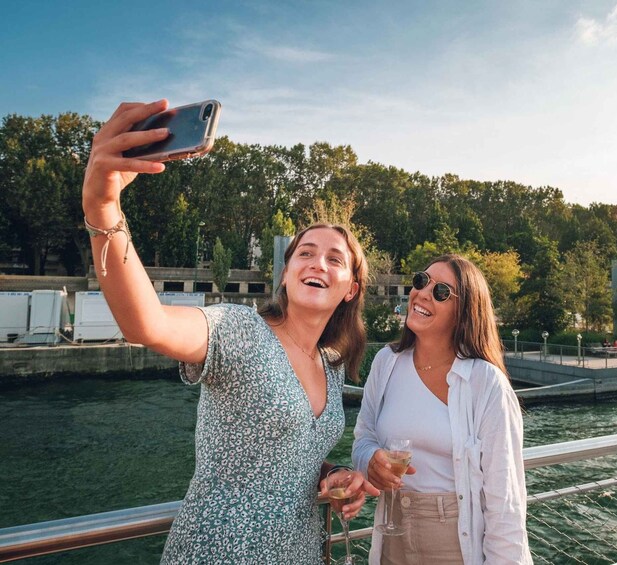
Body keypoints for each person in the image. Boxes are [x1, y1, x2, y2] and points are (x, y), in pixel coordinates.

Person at [82, 99, 378, 564]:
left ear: (349, 289)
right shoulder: (239, 329)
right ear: (285, 275)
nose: (317, 262)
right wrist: (102, 206)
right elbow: (147, 323)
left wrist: (333, 472)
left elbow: (286, 457)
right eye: (304, 253)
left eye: (334, 258)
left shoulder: (331, 364)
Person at [353, 254, 533, 564]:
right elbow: (363, 437)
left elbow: (505, 504)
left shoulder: (486, 383)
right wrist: (370, 460)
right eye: (422, 281)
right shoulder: (386, 362)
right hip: (391, 533)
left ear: (464, 312)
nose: (422, 293)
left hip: (457, 542)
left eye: (441, 292)